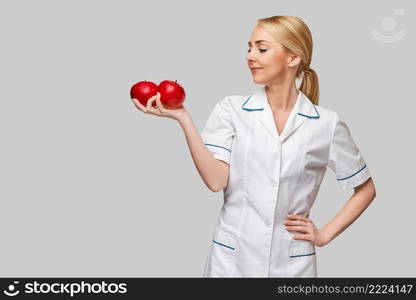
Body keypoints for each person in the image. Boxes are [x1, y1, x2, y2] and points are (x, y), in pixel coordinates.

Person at [130, 15, 376, 277]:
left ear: (293, 58)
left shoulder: (326, 124)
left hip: (293, 265)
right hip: (231, 262)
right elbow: (216, 181)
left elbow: (366, 189)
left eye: (261, 48)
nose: (250, 56)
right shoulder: (231, 110)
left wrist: (324, 234)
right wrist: (183, 118)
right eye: (249, 48)